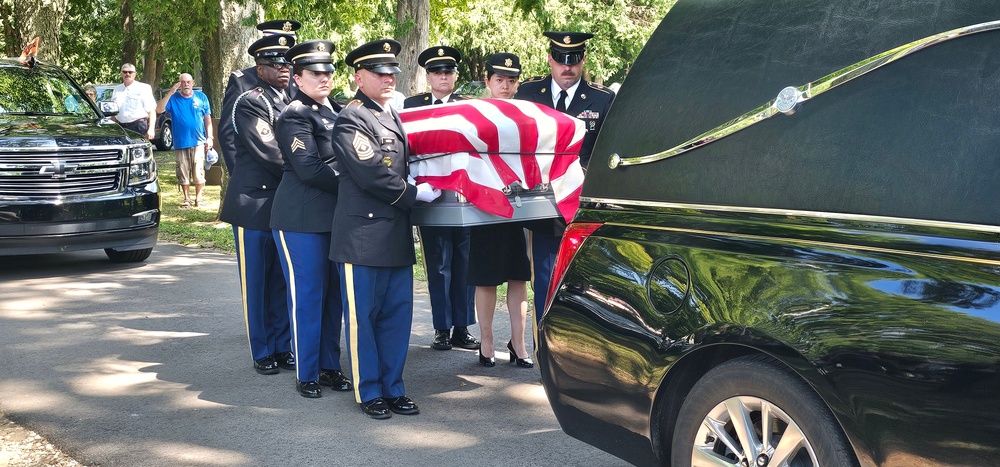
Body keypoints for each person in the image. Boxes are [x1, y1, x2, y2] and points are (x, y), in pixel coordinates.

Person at [330, 39, 441, 420]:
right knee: (364, 318)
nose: (388, 78)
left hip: (393, 233)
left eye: (392, 72)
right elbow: (373, 172)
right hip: (362, 237)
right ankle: (369, 391)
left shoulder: (393, 115)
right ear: (359, 77)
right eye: (379, 73)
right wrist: (414, 193)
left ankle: (394, 387)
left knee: (397, 317)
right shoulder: (352, 117)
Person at [514, 31, 615, 323]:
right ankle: (543, 347)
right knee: (543, 279)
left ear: (582, 60)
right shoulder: (529, 94)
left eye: (573, 60)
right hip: (542, 205)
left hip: (582, 205)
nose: (566, 67)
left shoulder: (601, 99)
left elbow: (604, 154)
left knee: (583, 280)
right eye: (560, 59)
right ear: (550, 59)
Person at [271, 39, 353, 399]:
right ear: (298, 78)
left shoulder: (338, 111)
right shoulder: (294, 114)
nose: (324, 77)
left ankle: (329, 365)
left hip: (333, 217)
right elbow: (309, 168)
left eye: (329, 71)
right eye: (315, 73)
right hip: (300, 217)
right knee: (308, 294)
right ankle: (307, 372)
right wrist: (354, 188)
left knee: (333, 295)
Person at [219, 33, 295, 376]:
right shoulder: (250, 99)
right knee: (257, 283)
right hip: (254, 202)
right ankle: (262, 349)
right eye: (276, 64)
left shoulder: (292, 96)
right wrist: (308, 172)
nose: (284, 69)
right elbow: (270, 153)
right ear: (260, 68)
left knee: (281, 279)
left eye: (288, 63)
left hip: (283, 202)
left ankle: (282, 345)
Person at [403, 45, 480, 352]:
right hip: (430, 195)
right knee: (437, 263)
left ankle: (462, 326)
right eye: (437, 72)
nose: (443, 76)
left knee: (465, 261)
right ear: (428, 76)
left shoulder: (468, 106)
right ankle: (441, 328)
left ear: (455, 75)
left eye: (448, 72)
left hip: (463, 194)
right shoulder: (413, 105)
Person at [469, 52, 533, 368]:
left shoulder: (525, 114)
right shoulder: (476, 113)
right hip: (484, 202)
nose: (505, 86)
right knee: (486, 277)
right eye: (499, 80)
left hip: (518, 202)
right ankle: (487, 341)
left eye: (510, 81)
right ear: (488, 82)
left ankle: (519, 343)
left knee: (518, 275)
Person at [218, 19, 301, 173]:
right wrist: (241, 176)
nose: (284, 65)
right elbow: (228, 135)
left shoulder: (297, 77)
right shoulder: (243, 81)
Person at [156, 73, 213, 208]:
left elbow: (207, 119)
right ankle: (186, 198)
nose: (186, 84)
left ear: (192, 83)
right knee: (183, 170)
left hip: (199, 141)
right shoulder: (173, 98)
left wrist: (209, 137)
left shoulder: (201, 97)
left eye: (188, 82)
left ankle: (199, 198)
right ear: (179, 84)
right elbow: (159, 109)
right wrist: (170, 92)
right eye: (182, 82)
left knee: (198, 170)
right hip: (181, 141)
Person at [110, 63, 156, 140]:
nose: (127, 74)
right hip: (121, 127)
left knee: (139, 151)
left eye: (130, 72)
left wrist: (151, 129)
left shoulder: (144, 88)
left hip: (138, 126)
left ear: (135, 74)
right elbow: (114, 113)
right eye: (125, 72)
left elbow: (151, 111)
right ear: (121, 74)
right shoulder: (117, 89)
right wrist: (110, 127)